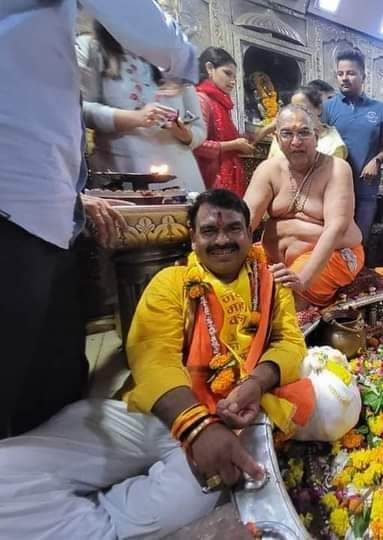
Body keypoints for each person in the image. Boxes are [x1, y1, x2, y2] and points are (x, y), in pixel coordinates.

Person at [0, 190, 313, 539]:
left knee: (184, 501)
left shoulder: (270, 284)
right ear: (193, 239)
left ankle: (100, 519)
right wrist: (195, 427)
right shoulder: (171, 282)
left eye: (233, 229)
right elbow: (153, 356)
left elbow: (290, 343)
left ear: (248, 233)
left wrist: (256, 382)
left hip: (229, 426)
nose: (222, 240)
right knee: (8, 473)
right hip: (155, 414)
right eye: (209, 231)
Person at [0, 0, 197, 439]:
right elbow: (85, 107)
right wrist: (182, 59)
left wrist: (72, 194)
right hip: (20, 199)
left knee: (53, 378)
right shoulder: (93, 49)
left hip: (49, 200)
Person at [245, 105, 364, 309]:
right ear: (277, 138)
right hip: (274, 256)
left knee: (285, 302)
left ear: (316, 136)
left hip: (333, 253)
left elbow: (335, 229)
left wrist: (303, 279)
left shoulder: (336, 169)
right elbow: (245, 221)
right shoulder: (268, 170)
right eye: (287, 134)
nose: (296, 142)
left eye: (303, 133)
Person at [78, 22, 206, 192]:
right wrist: (134, 118)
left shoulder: (173, 56)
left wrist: (184, 134)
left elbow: (199, 128)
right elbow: (79, 108)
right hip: (121, 176)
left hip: (181, 177)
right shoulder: (93, 48)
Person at [323, 48, 383, 240]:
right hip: (334, 189)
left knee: (360, 241)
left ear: (363, 76)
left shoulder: (378, 109)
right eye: (340, 73)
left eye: (351, 73)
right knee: (334, 240)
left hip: (366, 190)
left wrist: (376, 161)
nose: (344, 78)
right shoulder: (328, 107)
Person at [193, 47, 256, 194]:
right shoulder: (201, 99)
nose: (233, 81)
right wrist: (233, 145)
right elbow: (196, 145)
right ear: (210, 68)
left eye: (234, 76)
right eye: (227, 73)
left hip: (226, 176)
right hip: (210, 179)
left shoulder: (222, 103)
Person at [267, 86, 347, 160]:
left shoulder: (334, 146)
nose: (297, 114)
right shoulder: (283, 136)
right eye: (294, 109)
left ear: (318, 109)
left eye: (303, 109)